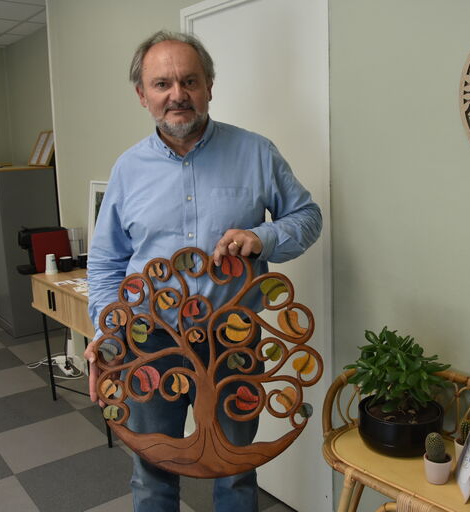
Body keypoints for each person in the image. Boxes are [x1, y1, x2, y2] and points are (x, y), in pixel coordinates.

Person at [83, 30, 321, 512]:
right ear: (143, 95)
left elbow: (307, 217)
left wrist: (263, 237)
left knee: (235, 471)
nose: (178, 94)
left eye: (189, 81)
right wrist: (109, 335)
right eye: (162, 84)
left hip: (233, 343)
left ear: (209, 85)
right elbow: (107, 263)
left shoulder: (256, 153)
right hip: (148, 344)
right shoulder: (128, 169)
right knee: (152, 471)